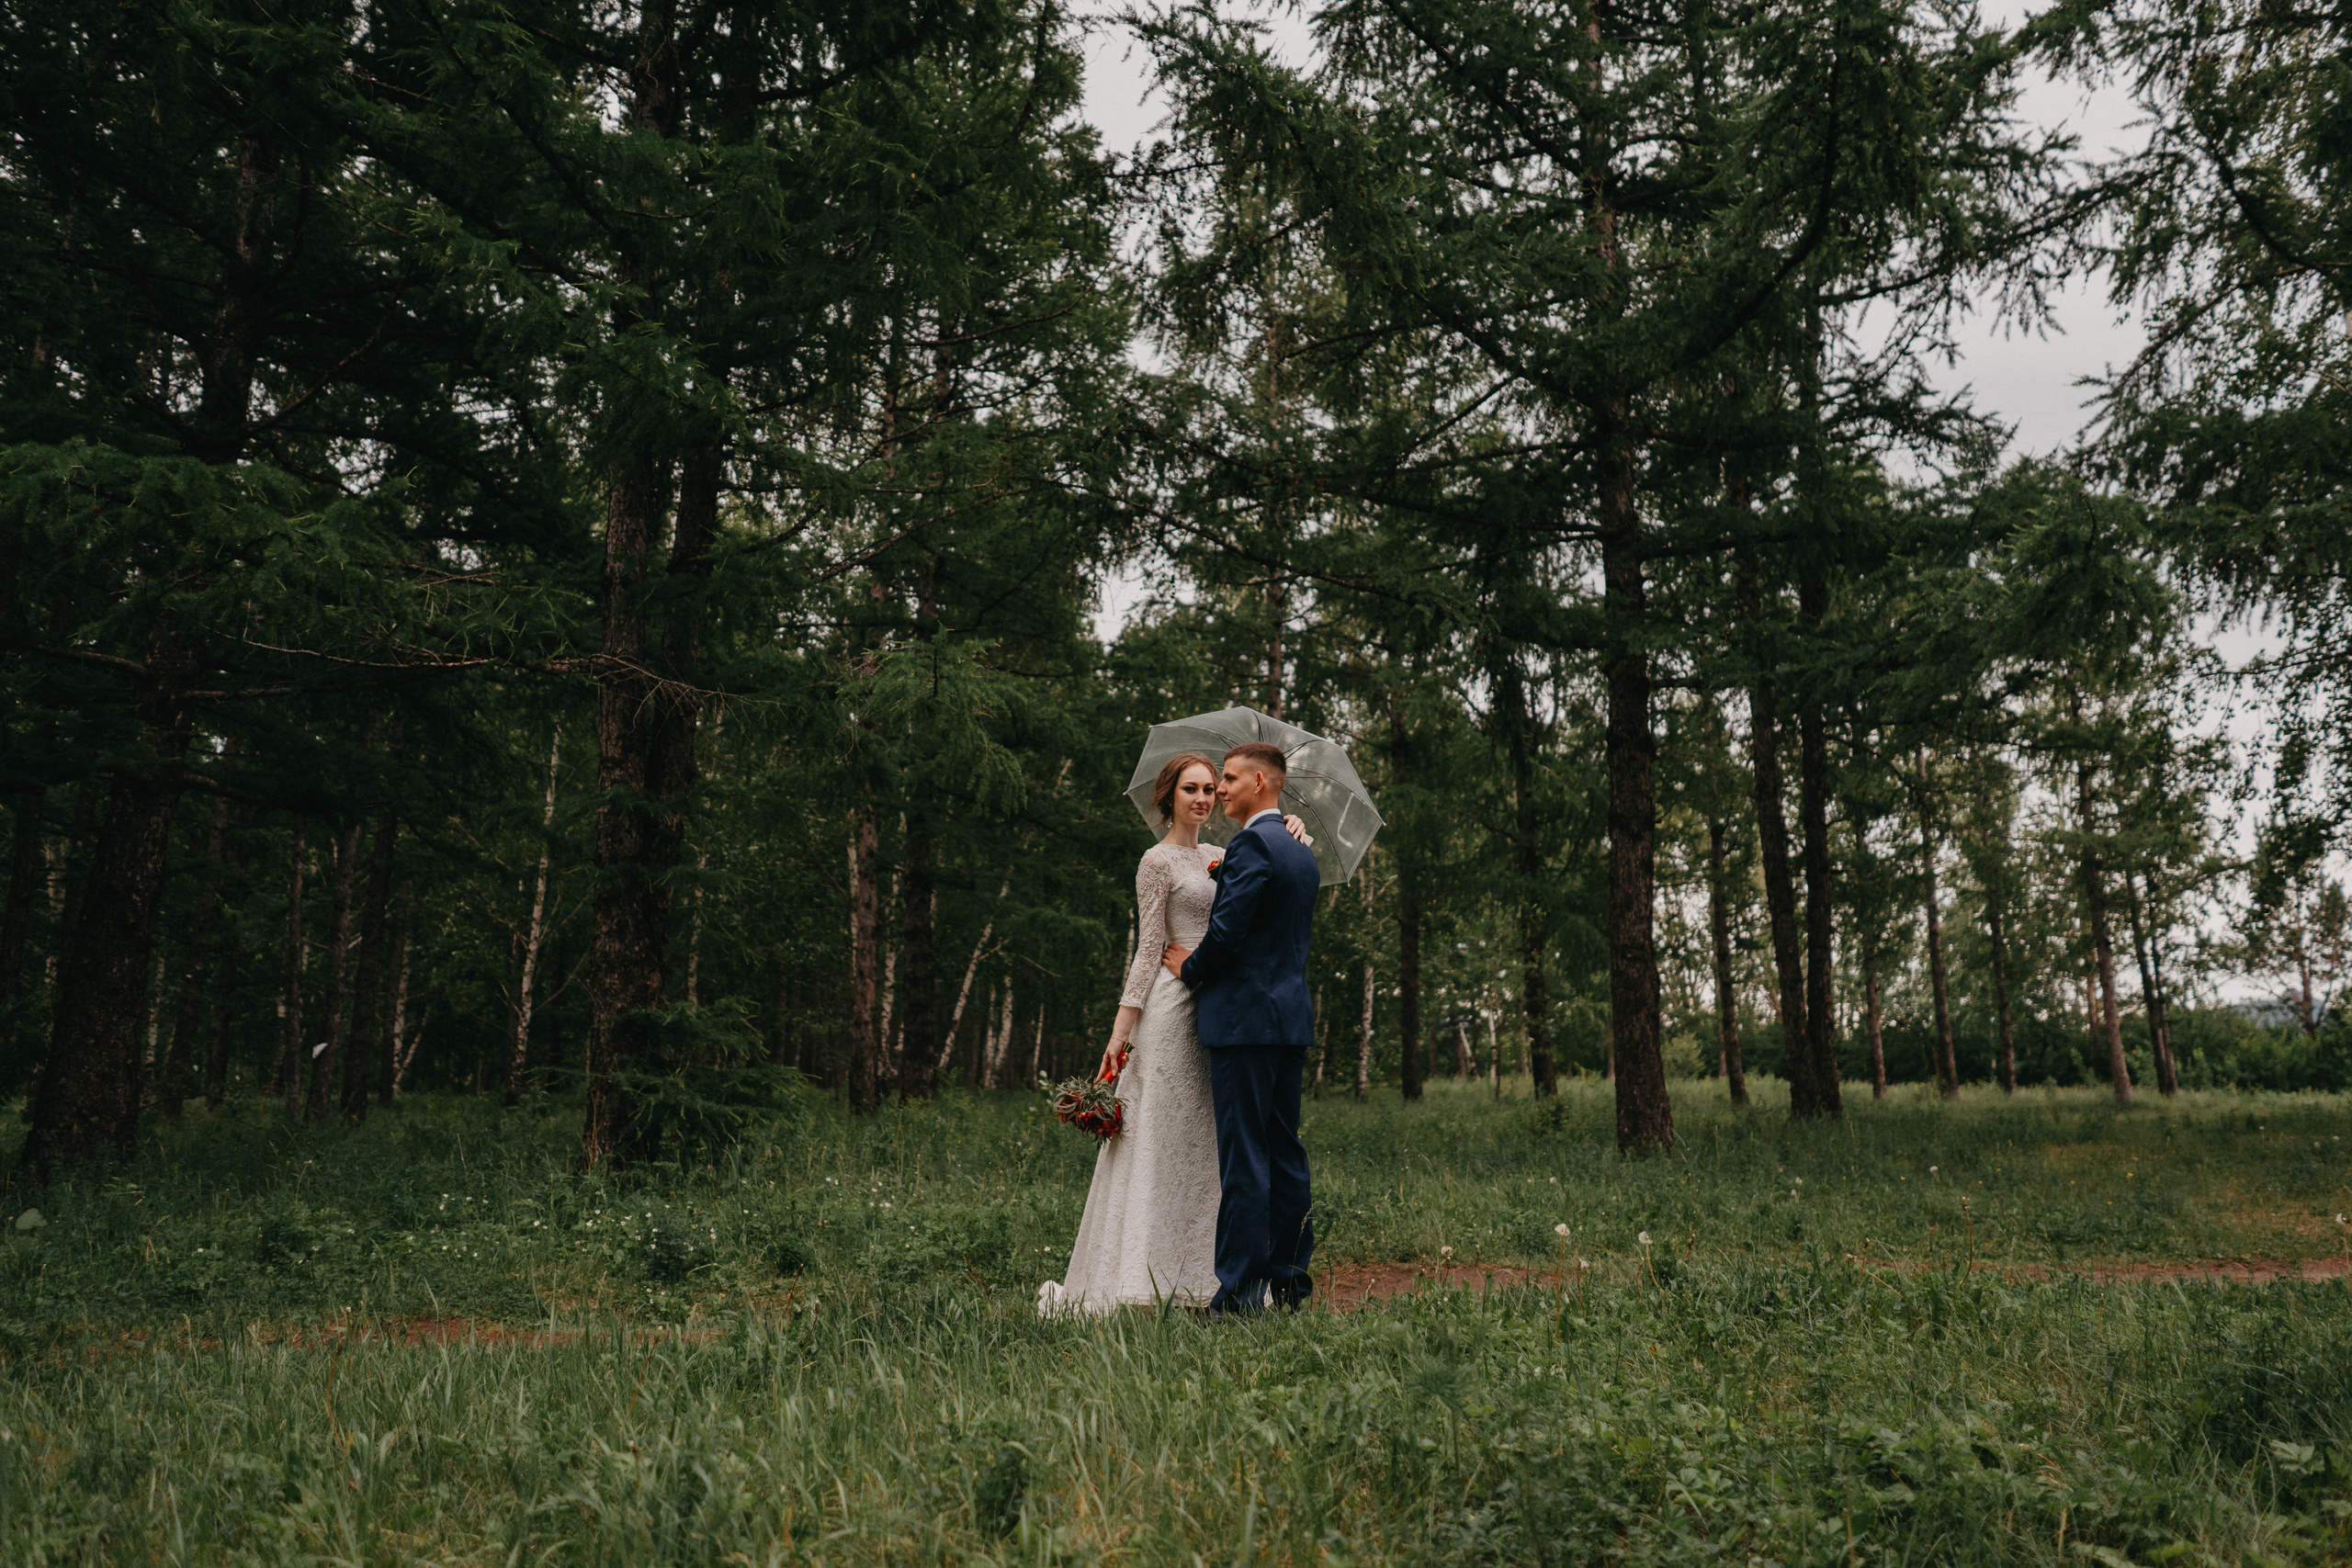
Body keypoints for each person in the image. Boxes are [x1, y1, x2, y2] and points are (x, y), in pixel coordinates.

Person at [1036, 754, 1310, 1314]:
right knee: (1166, 1139)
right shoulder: (1155, 861)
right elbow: (1148, 948)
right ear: (1170, 797)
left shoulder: (1228, 852)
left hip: (1220, 1002)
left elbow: (1250, 906)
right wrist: (1121, 1029)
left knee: (1222, 1150)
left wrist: (1289, 825)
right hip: (1175, 1005)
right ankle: (1145, 1270)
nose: (1206, 797)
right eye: (1194, 788)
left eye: (1215, 786)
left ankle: (1212, 1276)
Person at [1161, 741, 1319, 1315]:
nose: (1220, 789)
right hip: (1288, 1021)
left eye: (1228, 779)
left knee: (1246, 1158)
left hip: (1243, 1022)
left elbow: (1226, 936)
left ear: (1260, 782)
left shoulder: (1252, 842)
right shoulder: (1301, 850)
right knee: (1285, 1155)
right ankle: (1290, 1283)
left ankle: (1241, 1297)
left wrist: (1189, 967)